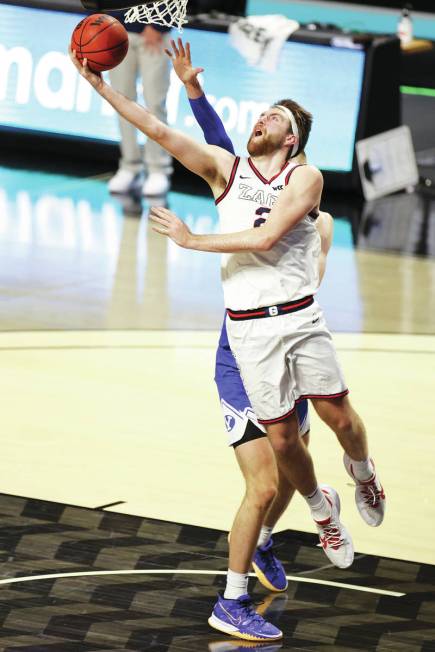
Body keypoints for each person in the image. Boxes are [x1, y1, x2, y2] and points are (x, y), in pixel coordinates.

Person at [70, 45, 386, 643]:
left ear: (293, 141)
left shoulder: (310, 201)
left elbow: (269, 234)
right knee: (268, 479)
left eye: (274, 117)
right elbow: (170, 133)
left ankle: (307, 515)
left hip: (295, 323)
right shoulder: (231, 171)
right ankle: (248, 580)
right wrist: (107, 88)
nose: (261, 119)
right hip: (241, 344)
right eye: (260, 113)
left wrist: (195, 241)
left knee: (305, 454)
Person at [166, 39, 334, 597]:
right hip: (242, 348)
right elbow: (220, 148)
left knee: (295, 461)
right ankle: (234, 589)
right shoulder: (251, 184)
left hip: (288, 345)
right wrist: (193, 89)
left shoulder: (317, 224)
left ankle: (264, 539)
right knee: (263, 480)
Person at [107, 12, 173, 196]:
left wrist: (160, 24)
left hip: (154, 30)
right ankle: (130, 166)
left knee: (155, 104)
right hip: (115, 29)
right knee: (121, 102)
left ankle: (158, 169)